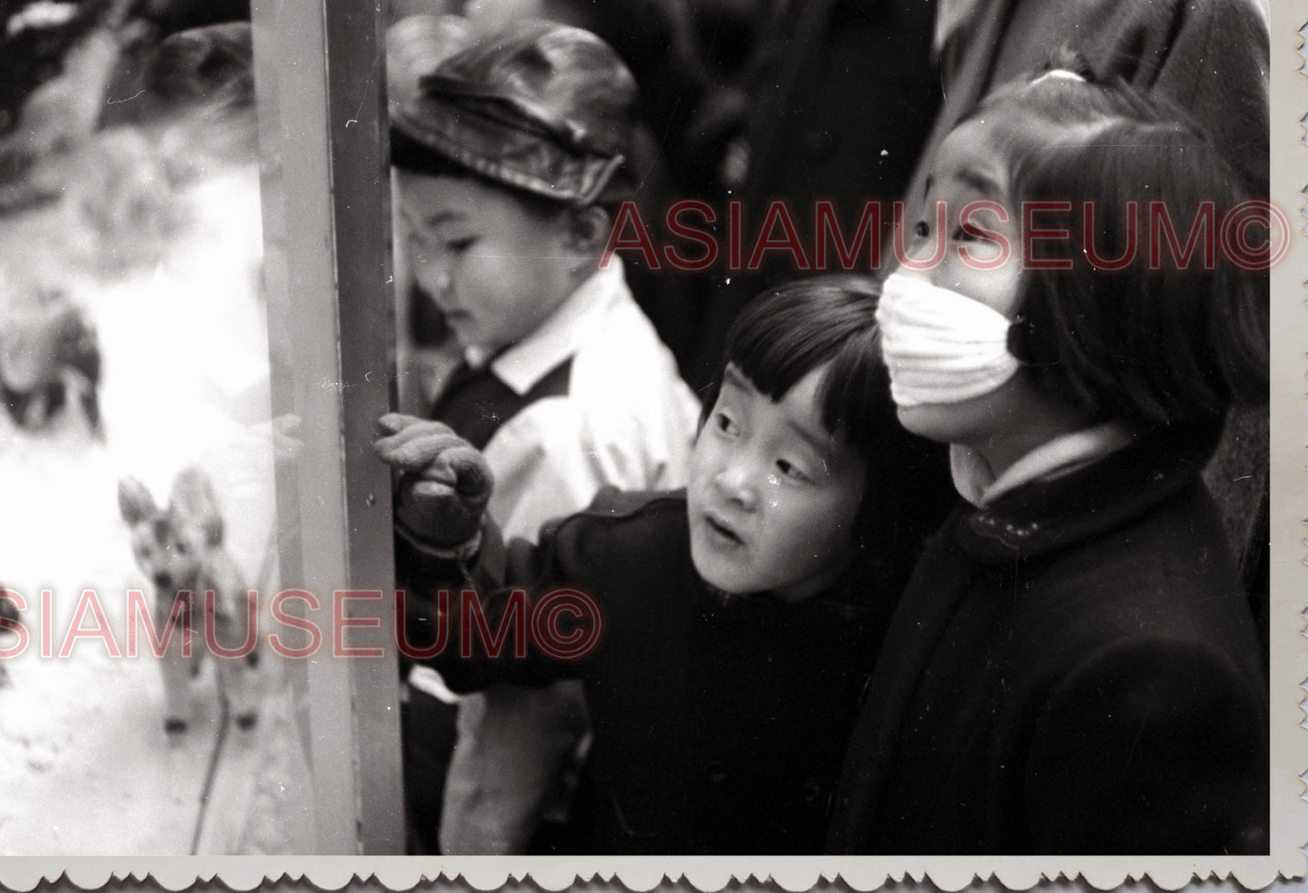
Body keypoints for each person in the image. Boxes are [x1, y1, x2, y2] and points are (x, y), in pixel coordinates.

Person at [828, 63, 1270, 854]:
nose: (906, 274)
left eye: (967, 234)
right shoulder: (995, 498)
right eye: (924, 227)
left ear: (1101, 301)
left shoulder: (1150, 672)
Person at [377, 278, 955, 854]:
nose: (732, 482)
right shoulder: (625, 556)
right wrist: (447, 539)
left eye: (788, 465)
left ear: (880, 509)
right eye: (727, 424)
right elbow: (476, 636)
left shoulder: (912, 632)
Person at [389, 20, 701, 854]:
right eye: (414, 239)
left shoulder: (565, 430)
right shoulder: (551, 326)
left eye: (456, 241)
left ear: (580, 235)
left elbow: (527, 716)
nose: (432, 276)